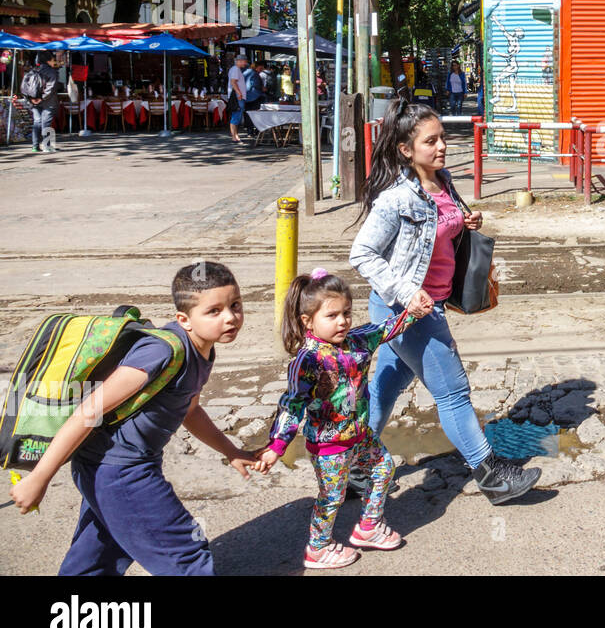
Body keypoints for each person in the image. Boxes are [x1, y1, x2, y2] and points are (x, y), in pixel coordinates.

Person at [9, 262, 259, 575]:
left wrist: (231, 451)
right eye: (214, 311)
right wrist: (39, 477)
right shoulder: (162, 352)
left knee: (98, 556)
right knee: (186, 556)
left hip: (112, 468)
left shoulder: (204, 351)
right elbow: (90, 409)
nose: (231, 317)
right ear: (184, 319)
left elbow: (190, 410)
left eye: (235, 305)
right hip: (121, 471)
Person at [350, 96, 541, 504]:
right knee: (452, 391)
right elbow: (361, 254)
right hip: (407, 310)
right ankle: (491, 476)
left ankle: (354, 469)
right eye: (430, 142)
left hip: (427, 303)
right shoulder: (395, 198)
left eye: (442, 138)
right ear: (405, 150)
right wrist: (405, 292)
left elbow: (440, 228)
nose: (440, 147)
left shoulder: (444, 179)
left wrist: (464, 223)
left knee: (385, 388)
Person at [255, 270, 414, 569]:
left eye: (346, 313)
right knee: (332, 498)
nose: (342, 321)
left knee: (383, 469)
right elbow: (291, 405)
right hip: (329, 446)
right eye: (332, 315)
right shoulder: (307, 360)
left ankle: (368, 526)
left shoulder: (357, 341)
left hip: (360, 435)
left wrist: (413, 313)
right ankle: (318, 548)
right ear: (308, 321)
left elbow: (385, 329)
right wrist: (276, 446)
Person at [21, 50, 62, 153]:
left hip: (33, 101)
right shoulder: (52, 72)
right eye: (53, 59)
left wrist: (31, 98)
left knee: (37, 122)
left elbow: (23, 86)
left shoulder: (32, 71)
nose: (54, 61)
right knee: (46, 123)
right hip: (48, 101)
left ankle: (35, 146)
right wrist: (42, 98)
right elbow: (51, 88)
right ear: (48, 60)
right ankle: (47, 146)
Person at [227, 53, 248, 144]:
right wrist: (239, 93)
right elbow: (233, 82)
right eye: (244, 61)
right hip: (237, 96)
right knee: (236, 115)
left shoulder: (235, 69)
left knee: (236, 115)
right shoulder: (236, 69)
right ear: (239, 61)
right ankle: (234, 136)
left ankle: (235, 135)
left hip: (238, 96)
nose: (245, 63)